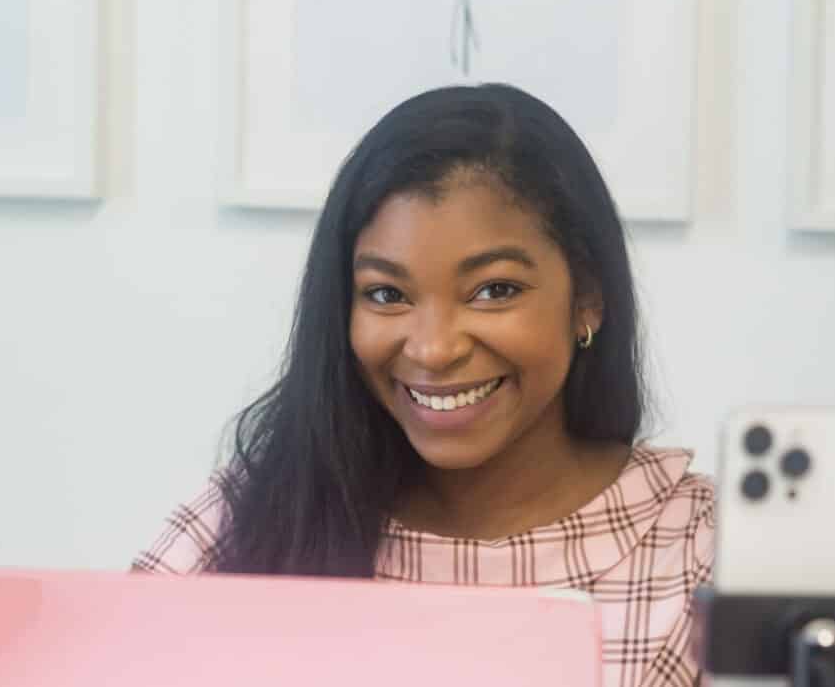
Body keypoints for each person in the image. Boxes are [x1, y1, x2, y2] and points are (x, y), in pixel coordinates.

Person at [133, 84, 714, 686]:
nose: (434, 349)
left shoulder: (699, 550)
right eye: (387, 294)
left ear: (587, 299)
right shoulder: (248, 516)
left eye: (494, 290)